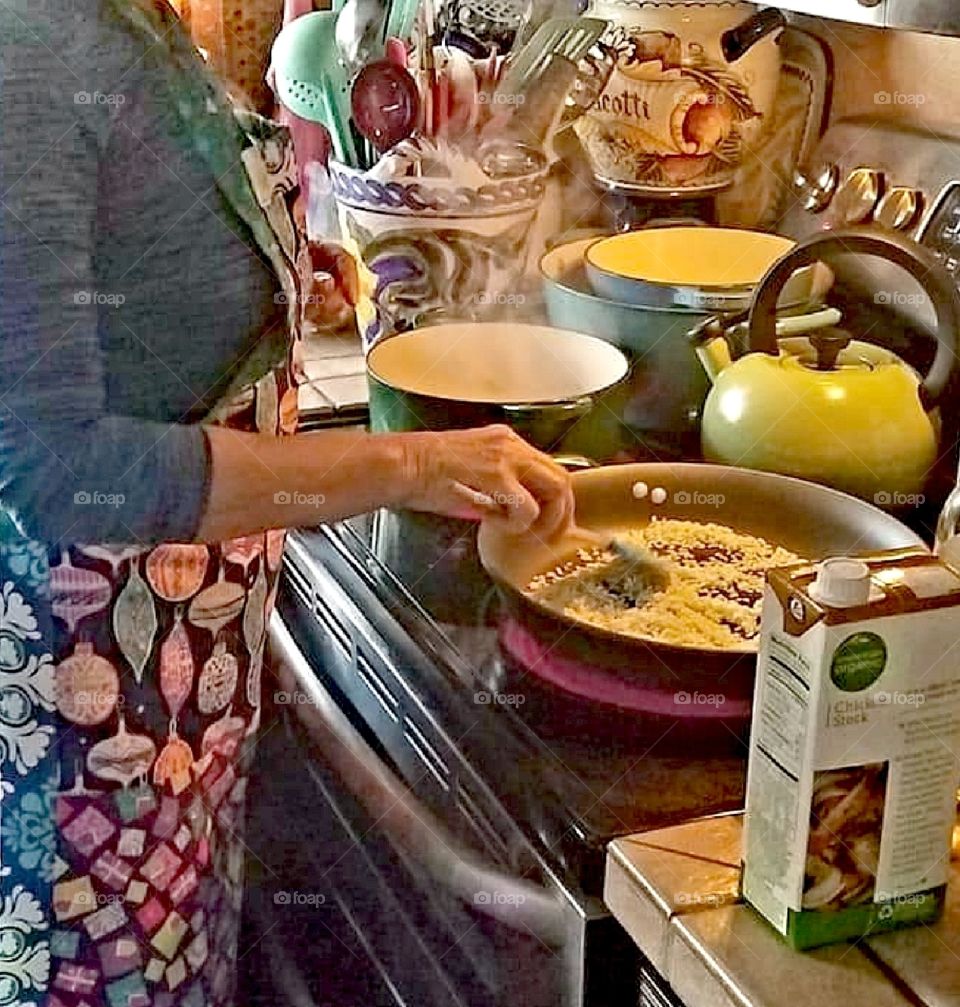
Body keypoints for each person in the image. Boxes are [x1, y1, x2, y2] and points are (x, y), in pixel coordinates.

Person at [0, 2, 574, 1005]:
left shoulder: (128, 24)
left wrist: (262, 282)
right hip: (68, 728)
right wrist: (411, 464)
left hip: (162, 697)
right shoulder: (35, 44)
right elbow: (55, 466)